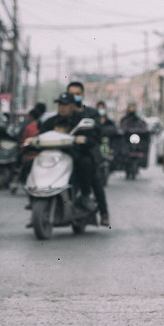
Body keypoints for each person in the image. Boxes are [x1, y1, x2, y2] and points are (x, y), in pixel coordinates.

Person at [41, 88, 109, 227]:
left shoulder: (86, 117)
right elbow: (40, 135)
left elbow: (94, 136)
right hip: (53, 156)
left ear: (73, 104)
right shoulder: (50, 121)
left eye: (65, 104)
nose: (62, 107)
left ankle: (95, 205)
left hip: (77, 156)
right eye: (60, 104)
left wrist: (83, 140)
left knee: (88, 167)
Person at [66, 82, 111, 227]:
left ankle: (103, 213)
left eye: (78, 94)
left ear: (83, 95)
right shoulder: (65, 113)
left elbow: (97, 132)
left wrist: (86, 139)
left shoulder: (92, 113)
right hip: (67, 153)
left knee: (95, 178)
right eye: (72, 94)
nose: (75, 97)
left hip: (88, 153)